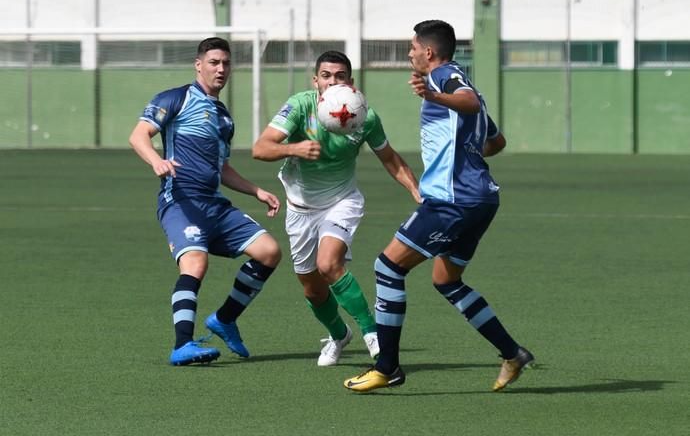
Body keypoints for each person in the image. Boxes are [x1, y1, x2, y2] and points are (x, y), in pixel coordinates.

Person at [344, 20, 534, 392]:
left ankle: (387, 367)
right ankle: (513, 354)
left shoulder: (443, 76)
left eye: (413, 47)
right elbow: (496, 142)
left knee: (387, 267)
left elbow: (469, 102)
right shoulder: (459, 79)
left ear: (428, 52)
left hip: (453, 200)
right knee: (446, 280)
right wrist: (461, 147)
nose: (410, 52)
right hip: (480, 198)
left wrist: (433, 98)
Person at [252, 50, 420, 366]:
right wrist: (294, 147)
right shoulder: (301, 106)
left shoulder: (364, 115)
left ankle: (373, 335)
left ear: (351, 82)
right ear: (315, 80)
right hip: (301, 207)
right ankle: (339, 335)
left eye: (340, 76)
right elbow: (261, 148)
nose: (332, 81)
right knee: (312, 289)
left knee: (329, 264)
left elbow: (390, 158)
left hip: (342, 201)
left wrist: (416, 190)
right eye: (326, 76)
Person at [129, 37, 282, 366]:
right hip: (181, 200)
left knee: (269, 252)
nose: (221, 69)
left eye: (226, 63)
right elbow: (139, 135)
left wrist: (256, 191)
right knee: (196, 263)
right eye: (214, 62)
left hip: (215, 204)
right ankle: (183, 344)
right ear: (199, 65)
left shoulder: (224, 118)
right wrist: (157, 162)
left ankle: (225, 319)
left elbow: (222, 168)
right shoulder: (176, 98)